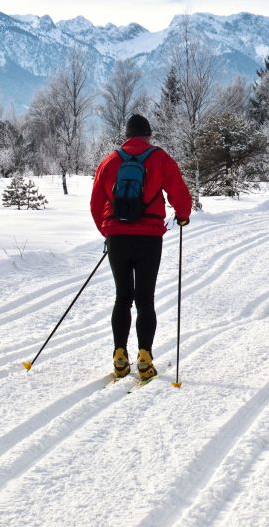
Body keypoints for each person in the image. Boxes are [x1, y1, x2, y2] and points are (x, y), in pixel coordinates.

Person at [90, 114, 192, 381]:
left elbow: (95, 201)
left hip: (117, 237)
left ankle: (119, 355)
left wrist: (108, 230)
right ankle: (144, 356)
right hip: (149, 237)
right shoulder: (159, 157)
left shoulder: (110, 160)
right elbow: (178, 189)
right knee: (145, 298)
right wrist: (182, 214)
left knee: (122, 296)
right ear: (147, 135)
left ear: (127, 135)